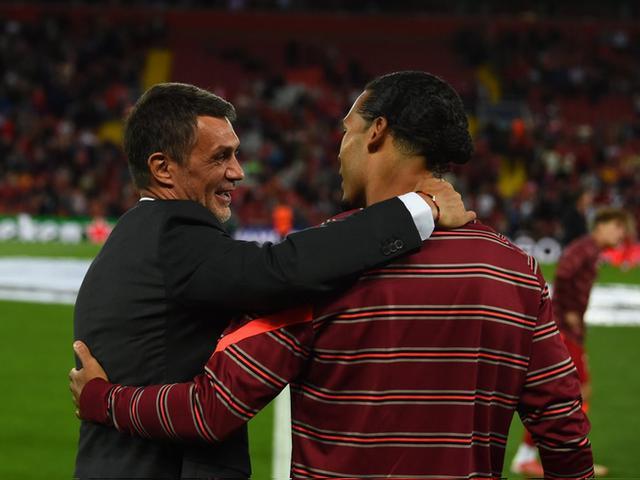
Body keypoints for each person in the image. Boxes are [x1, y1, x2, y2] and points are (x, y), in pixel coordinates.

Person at [71, 72, 593, 477]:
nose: (338, 149)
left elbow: (214, 408)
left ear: (376, 133)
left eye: (346, 131)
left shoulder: (327, 272)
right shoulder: (516, 271)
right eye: (223, 156)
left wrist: (103, 398)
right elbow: (563, 427)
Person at [511, 207, 631, 476]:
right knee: (571, 392)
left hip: (568, 331)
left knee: (572, 392)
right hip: (564, 330)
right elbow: (564, 272)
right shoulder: (585, 249)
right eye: (616, 227)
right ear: (600, 226)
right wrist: (568, 312)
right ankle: (537, 456)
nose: (620, 234)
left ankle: (542, 454)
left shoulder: (590, 250)